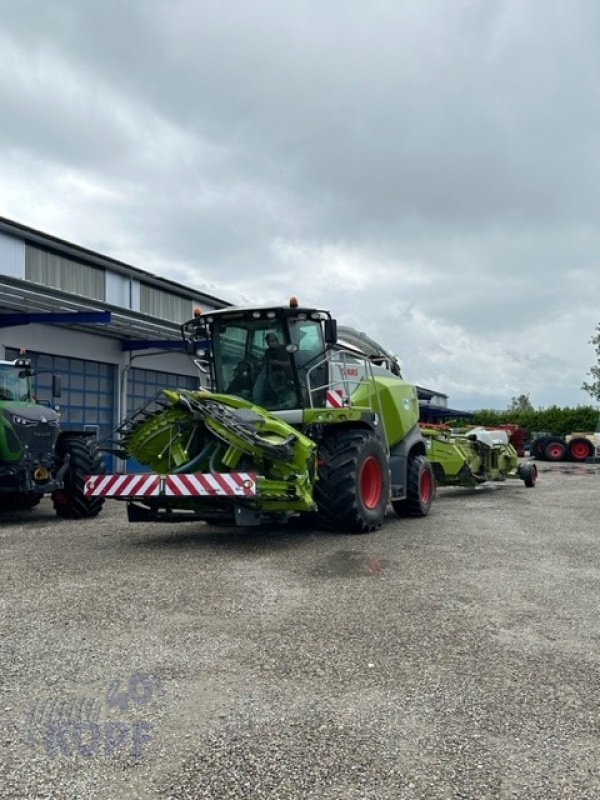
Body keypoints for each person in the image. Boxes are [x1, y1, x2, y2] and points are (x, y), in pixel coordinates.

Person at [252, 332, 293, 405]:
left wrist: (276, 362)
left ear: (276, 340)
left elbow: (291, 364)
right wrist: (259, 363)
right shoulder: (268, 351)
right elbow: (264, 363)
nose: (269, 344)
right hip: (270, 376)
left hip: (285, 377)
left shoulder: (285, 349)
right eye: (268, 342)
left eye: (271, 342)